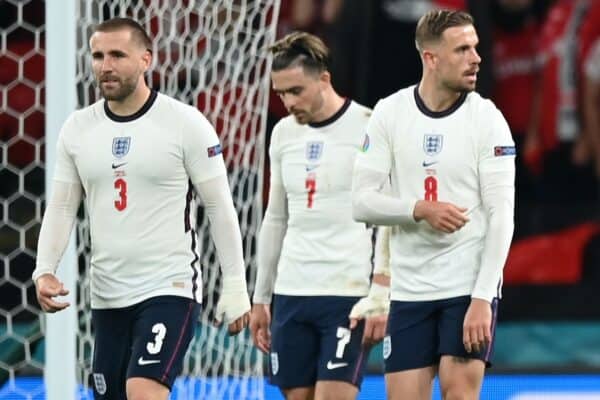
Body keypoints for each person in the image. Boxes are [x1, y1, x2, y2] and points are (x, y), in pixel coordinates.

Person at [32, 17, 250, 400]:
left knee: (144, 390)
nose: (106, 65)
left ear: (146, 59)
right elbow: (63, 206)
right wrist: (44, 269)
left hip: (169, 286)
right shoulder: (78, 129)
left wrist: (235, 285)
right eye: (98, 55)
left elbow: (219, 207)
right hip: (107, 294)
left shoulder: (184, 123)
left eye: (118, 54)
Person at [352, 9, 515, 400]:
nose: (476, 58)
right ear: (430, 57)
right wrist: (418, 209)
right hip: (409, 291)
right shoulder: (390, 113)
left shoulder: (488, 119)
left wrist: (482, 298)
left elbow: (501, 216)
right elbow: (361, 202)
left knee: (459, 394)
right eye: (462, 49)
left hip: (466, 286)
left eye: (475, 47)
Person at [249, 31, 389, 400]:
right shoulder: (282, 135)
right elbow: (275, 217)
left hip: (347, 295)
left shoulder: (369, 126)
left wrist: (381, 292)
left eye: (296, 91)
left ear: (324, 79)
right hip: (292, 293)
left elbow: (388, 221)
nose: (287, 102)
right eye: (280, 93)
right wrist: (262, 298)